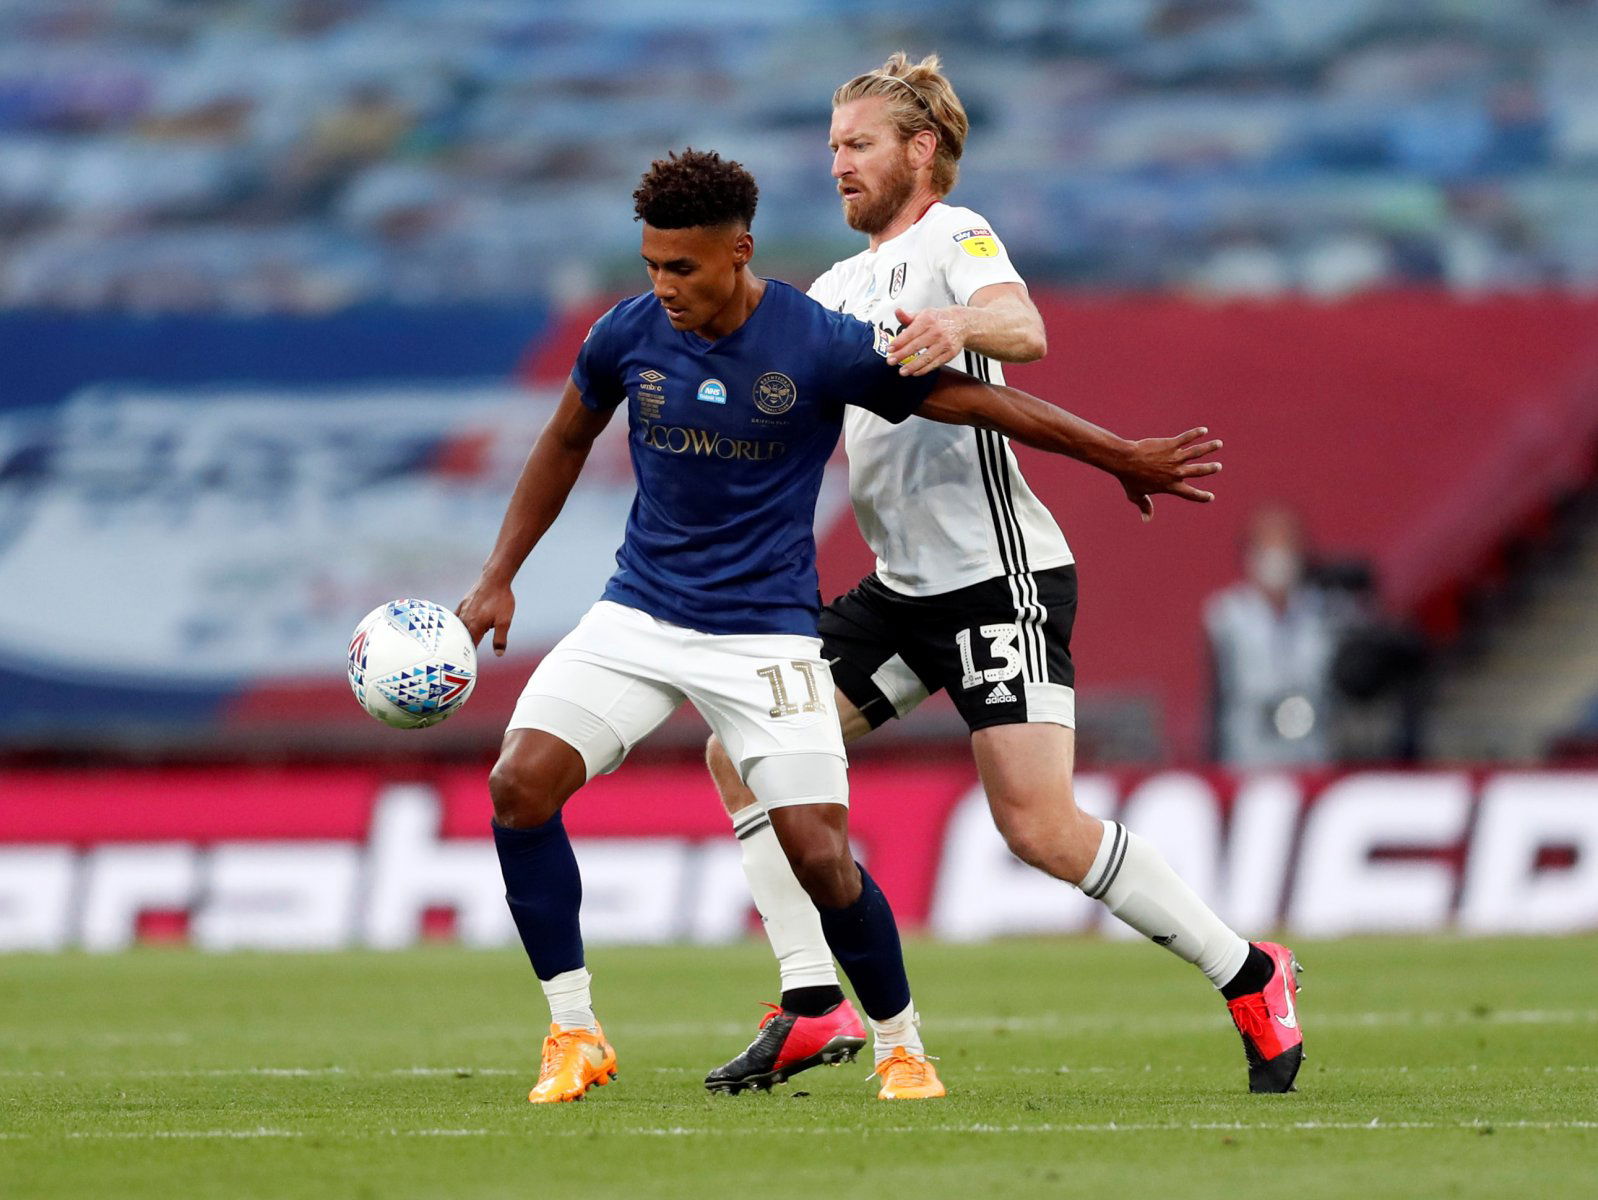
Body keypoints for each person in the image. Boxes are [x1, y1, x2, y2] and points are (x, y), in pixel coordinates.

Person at [457, 146, 1226, 1104]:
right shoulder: (627, 335)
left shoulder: (814, 340)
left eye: (682, 268)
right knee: (519, 785)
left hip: (766, 637)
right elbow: (565, 439)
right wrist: (498, 577)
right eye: (651, 265)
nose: (663, 288)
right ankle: (573, 1033)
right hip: (639, 614)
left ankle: (902, 1046)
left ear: (739, 251)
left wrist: (1115, 454)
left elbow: (969, 397)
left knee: (822, 855)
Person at [701, 53, 1305, 1098]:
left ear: (919, 151)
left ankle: (1249, 972)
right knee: (737, 749)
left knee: (1036, 829)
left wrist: (959, 324)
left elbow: (1021, 327)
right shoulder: (836, 287)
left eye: (857, 144)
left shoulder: (953, 234)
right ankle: (810, 1003)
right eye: (832, 145)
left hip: (999, 579)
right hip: (898, 592)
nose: (835, 163)